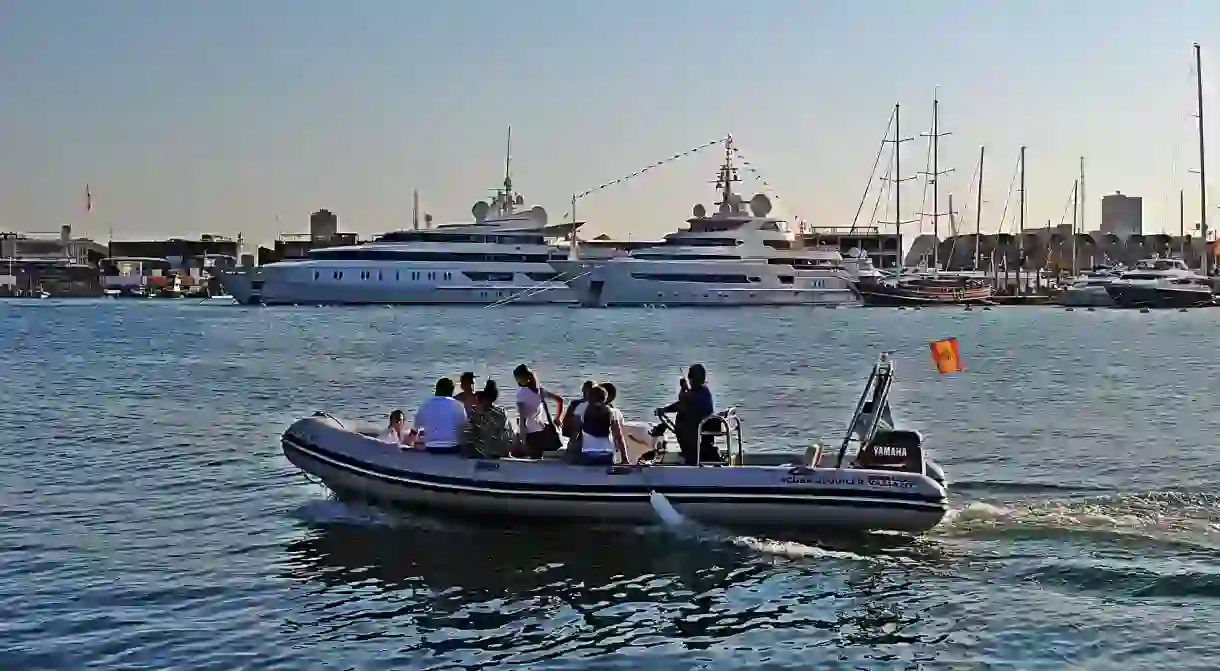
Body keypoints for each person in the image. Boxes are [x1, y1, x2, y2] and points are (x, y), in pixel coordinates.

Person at [656, 364, 718, 465]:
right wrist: (664, 410)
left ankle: (692, 458)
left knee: (682, 423)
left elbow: (683, 400)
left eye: (691, 378)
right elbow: (682, 403)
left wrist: (683, 388)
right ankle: (689, 454)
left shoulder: (700, 393)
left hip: (696, 433)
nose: (690, 380)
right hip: (697, 431)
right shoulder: (700, 392)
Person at [512, 364, 564, 459]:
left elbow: (522, 418)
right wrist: (557, 418)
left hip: (528, 433)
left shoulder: (521, 394)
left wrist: (522, 438)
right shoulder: (540, 391)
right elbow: (560, 400)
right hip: (540, 431)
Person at [413, 377, 468, 454]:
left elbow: (416, 426)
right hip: (453, 447)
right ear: (451, 391)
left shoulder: (425, 405)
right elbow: (464, 428)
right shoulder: (458, 405)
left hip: (431, 447)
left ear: (436, 389)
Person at [576, 385, 627, 466]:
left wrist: (572, 455)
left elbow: (575, 434)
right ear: (605, 398)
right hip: (607, 455)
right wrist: (625, 459)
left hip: (588, 454)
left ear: (589, 397)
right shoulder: (613, 412)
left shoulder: (581, 409)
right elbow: (618, 437)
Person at [460, 381, 515, 458]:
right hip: (498, 450)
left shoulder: (478, 414)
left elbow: (469, 433)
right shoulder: (501, 412)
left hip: (485, 451)